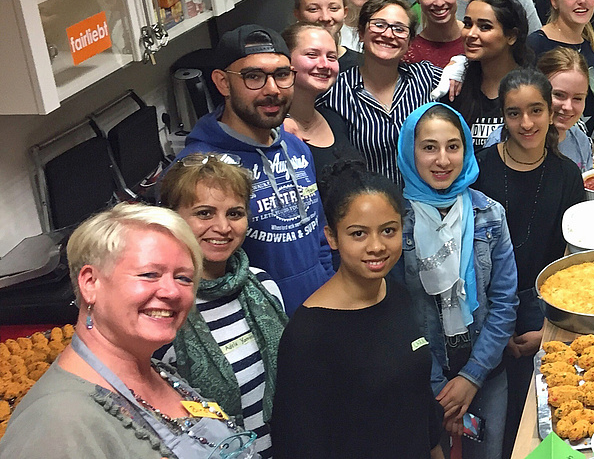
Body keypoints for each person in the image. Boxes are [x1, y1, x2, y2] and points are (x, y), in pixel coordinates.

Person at [0, 203, 253, 458]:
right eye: (149, 274)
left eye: (183, 278)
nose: (172, 291)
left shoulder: (157, 372)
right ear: (91, 283)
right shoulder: (56, 425)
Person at [272, 162, 446, 459]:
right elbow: (299, 442)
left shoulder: (397, 294)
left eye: (388, 230)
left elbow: (418, 400)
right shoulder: (308, 334)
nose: (376, 246)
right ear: (332, 237)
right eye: (358, 234)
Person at [177, 24, 332, 314]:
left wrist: (329, 292)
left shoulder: (296, 146)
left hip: (318, 314)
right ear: (223, 83)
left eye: (282, 75)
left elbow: (319, 236)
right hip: (254, 323)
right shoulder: (199, 170)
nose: (272, 89)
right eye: (253, 77)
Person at [473, 70, 587, 458]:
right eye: (514, 113)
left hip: (543, 307)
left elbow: (573, 261)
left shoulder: (566, 174)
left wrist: (549, 328)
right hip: (486, 307)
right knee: (496, 426)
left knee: (540, 416)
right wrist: (493, 328)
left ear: (550, 112)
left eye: (536, 110)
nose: (526, 123)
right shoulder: (479, 169)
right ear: (502, 117)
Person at [396, 103, 518, 459]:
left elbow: (504, 302)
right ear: (410, 152)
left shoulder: (489, 214)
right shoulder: (393, 222)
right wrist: (440, 388)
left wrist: (472, 377)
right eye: (429, 147)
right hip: (420, 379)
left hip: (486, 372)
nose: (442, 160)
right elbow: (396, 314)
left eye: (453, 146)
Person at [157, 157, 288, 459]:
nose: (223, 227)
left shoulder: (264, 287)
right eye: (204, 213)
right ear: (172, 219)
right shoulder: (162, 311)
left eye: (235, 213)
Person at [320, 0, 444, 188]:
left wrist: (459, 64)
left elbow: (472, 79)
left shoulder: (426, 77)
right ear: (361, 33)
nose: (388, 34)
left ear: (410, 41)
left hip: (427, 200)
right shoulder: (336, 92)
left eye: (399, 29)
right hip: (370, 201)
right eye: (379, 25)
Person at [452, 0, 534, 148]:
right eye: (468, 24)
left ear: (511, 36)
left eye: (484, 27)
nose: (471, 34)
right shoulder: (455, 87)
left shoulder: (533, 87)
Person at [281, 22, 362, 174]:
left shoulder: (334, 119)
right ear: (285, 59)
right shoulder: (273, 129)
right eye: (312, 54)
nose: (325, 64)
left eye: (331, 57)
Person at [293, 0, 360, 71]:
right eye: (313, 9)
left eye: (333, 8)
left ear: (345, 12)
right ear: (297, 14)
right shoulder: (285, 61)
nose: (325, 17)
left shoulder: (361, 65)